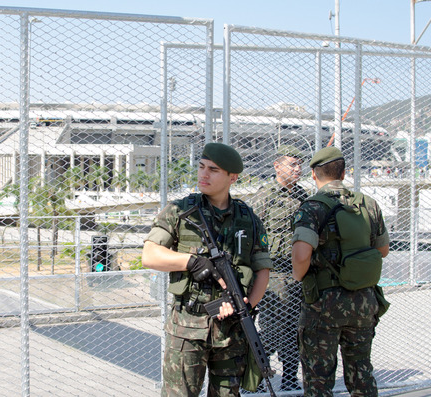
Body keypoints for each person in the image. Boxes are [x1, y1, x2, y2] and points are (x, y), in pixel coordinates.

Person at [142, 142, 272, 396]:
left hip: (232, 332)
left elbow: (262, 270)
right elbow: (150, 255)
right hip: (188, 328)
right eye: (201, 167)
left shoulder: (249, 219)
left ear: (232, 177)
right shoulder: (181, 210)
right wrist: (190, 262)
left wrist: (244, 308)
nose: (203, 174)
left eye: (213, 170)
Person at [291, 147, 390, 396]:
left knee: (318, 378)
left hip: (324, 304)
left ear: (314, 175)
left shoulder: (312, 207)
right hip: (364, 303)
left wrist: (299, 276)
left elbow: (302, 255)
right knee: (361, 371)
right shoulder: (368, 204)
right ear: (344, 173)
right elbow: (383, 249)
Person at [252, 144, 309, 392]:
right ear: (277, 166)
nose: (297, 169)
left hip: (296, 275)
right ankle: (255, 378)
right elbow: (251, 234)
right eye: (292, 164)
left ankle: (289, 377)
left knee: (293, 330)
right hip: (271, 274)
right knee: (271, 330)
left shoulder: (303, 197)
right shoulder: (264, 197)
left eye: (299, 164)